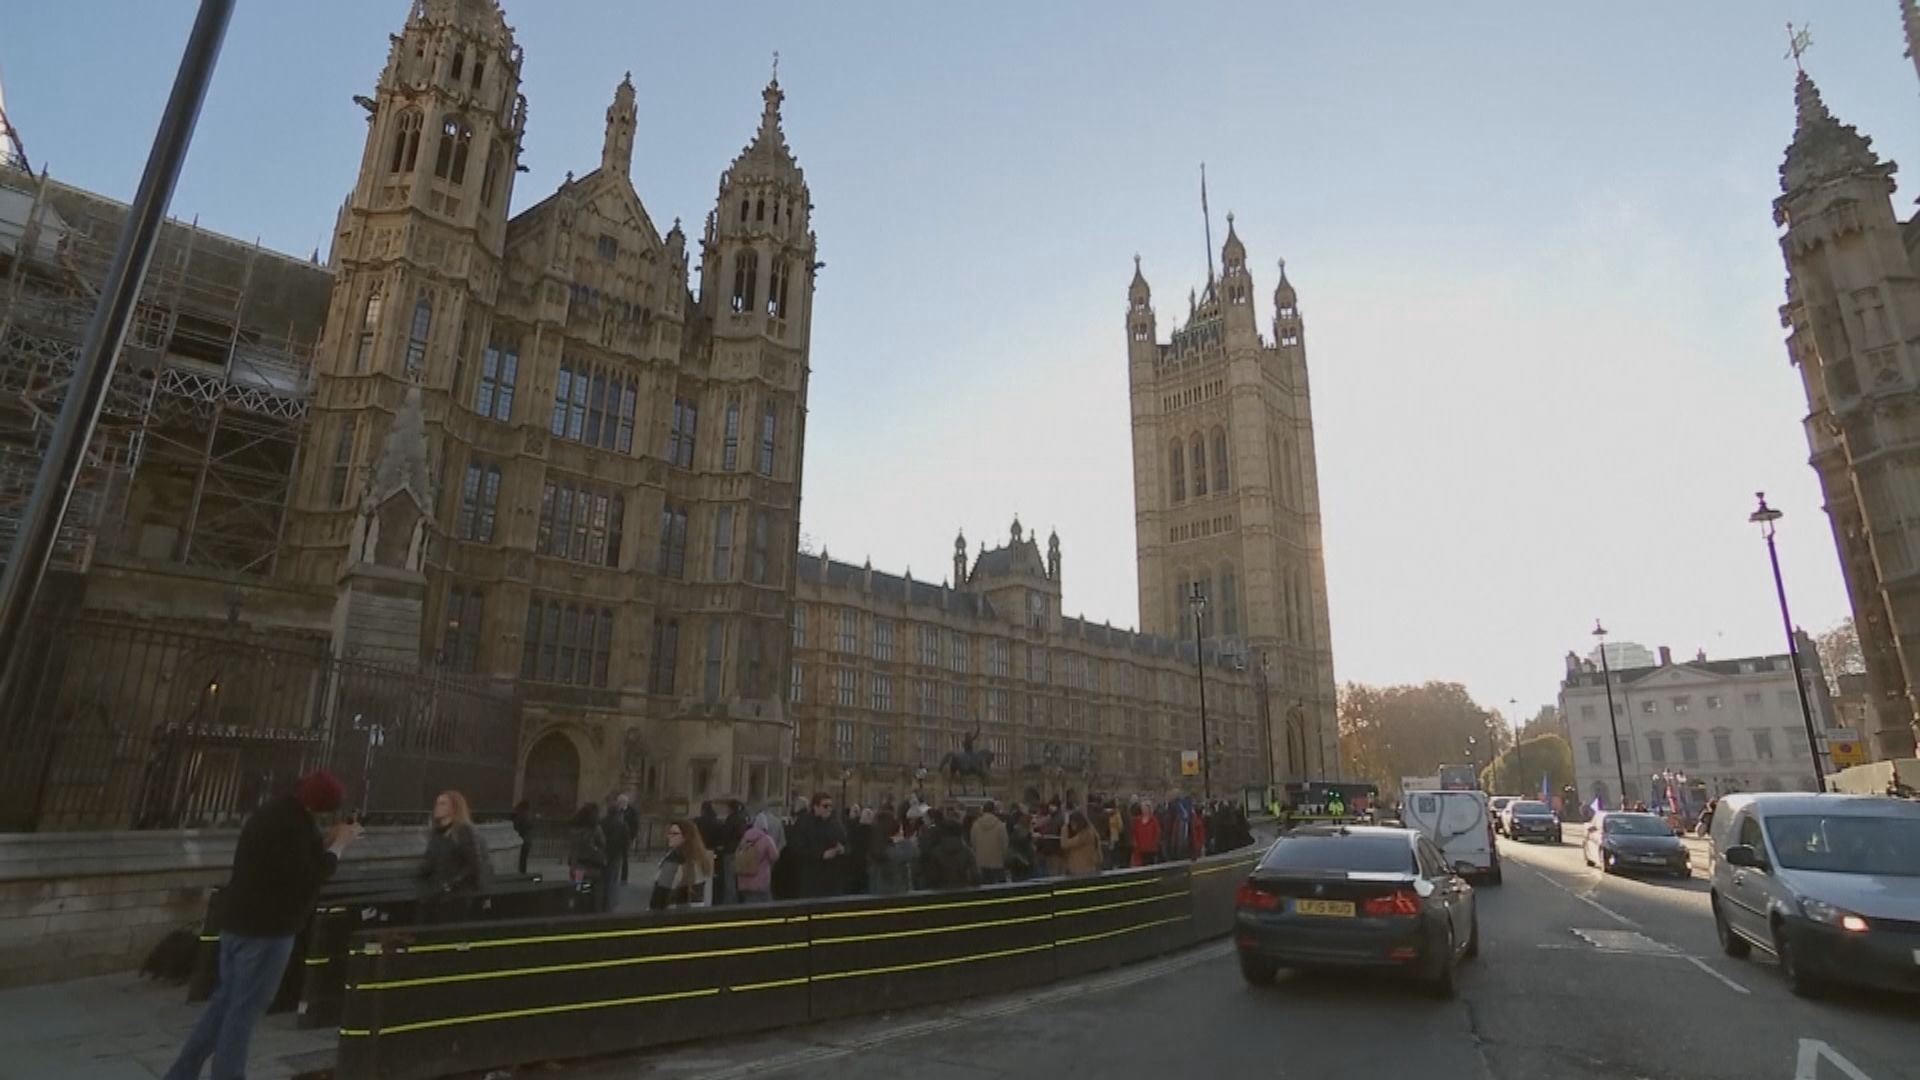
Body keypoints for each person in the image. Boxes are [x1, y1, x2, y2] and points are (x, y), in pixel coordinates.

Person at [162, 771, 358, 1080]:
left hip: (236, 925)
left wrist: (323, 840)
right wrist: (339, 847)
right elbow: (309, 876)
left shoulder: (273, 813)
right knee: (243, 1013)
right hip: (267, 932)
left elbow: (283, 863)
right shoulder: (294, 826)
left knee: (223, 1005)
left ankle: (181, 1073)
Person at [416, 790, 489, 920]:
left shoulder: (464, 831)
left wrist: (451, 884)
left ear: (454, 808)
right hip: (436, 894)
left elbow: (474, 865)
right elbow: (430, 862)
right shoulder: (436, 834)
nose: (437, 807)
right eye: (437, 803)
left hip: (457, 896)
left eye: (443, 804)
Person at [786, 792, 847, 899]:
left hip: (832, 877)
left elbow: (845, 841)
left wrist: (842, 849)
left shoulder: (835, 822)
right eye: (825, 806)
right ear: (815, 807)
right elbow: (797, 848)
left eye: (830, 806)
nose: (828, 809)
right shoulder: (804, 822)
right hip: (812, 876)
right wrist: (821, 854)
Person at [649, 818, 714, 910]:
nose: (669, 836)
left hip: (673, 913)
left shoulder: (674, 859)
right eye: (669, 833)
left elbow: (661, 892)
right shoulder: (701, 858)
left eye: (675, 834)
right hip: (696, 911)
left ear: (686, 836)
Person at [920, 807, 978, 890]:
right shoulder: (967, 852)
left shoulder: (935, 853)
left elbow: (932, 878)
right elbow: (975, 876)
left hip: (941, 893)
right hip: (963, 891)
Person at [867, 810, 918, 895]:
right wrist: (904, 841)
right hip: (895, 894)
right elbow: (913, 853)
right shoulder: (890, 851)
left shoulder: (877, 846)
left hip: (878, 893)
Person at [566, 803, 607, 906]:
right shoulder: (595, 829)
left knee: (578, 891)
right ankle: (592, 913)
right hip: (592, 866)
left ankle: (577, 910)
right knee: (595, 893)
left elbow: (572, 847)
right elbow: (603, 843)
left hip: (576, 866)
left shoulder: (573, 829)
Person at [734, 812, 779, 903]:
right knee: (765, 905)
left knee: (748, 904)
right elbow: (774, 856)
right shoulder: (766, 839)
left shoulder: (745, 837)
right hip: (760, 881)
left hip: (744, 879)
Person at [598, 798, 631, 912]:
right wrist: (624, 854)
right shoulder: (622, 825)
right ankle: (609, 905)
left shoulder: (601, 823)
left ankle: (601, 902)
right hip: (616, 855)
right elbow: (626, 842)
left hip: (602, 854)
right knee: (612, 881)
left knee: (602, 880)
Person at [970, 800, 1010, 884]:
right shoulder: (1000, 825)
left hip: (980, 863)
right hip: (997, 864)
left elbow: (973, 844)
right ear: (994, 810)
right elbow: (1005, 846)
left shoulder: (975, 825)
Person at [1062, 810, 1102, 877]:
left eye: (1072, 823)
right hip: (1087, 867)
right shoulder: (1090, 830)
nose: (1072, 826)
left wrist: (1065, 827)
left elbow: (1064, 844)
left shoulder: (1085, 834)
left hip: (1082, 870)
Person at [615, 793, 639, 883]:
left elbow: (635, 826)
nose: (619, 804)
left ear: (625, 802)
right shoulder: (616, 811)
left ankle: (624, 878)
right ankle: (615, 876)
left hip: (626, 838)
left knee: (625, 859)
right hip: (616, 838)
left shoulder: (632, 811)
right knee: (615, 858)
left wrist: (632, 838)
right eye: (618, 802)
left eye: (620, 802)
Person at [1131, 800, 1162, 867]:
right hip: (1140, 849)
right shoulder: (1137, 820)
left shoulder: (1154, 820)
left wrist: (1154, 844)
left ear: (1149, 809)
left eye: (1145, 808)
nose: (1143, 809)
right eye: (1142, 808)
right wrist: (1135, 842)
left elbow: (1157, 833)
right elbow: (1134, 832)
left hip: (1150, 849)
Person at [511, 799, 534, 876]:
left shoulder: (522, 814)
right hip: (528, 839)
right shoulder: (529, 814)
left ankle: (522, 874)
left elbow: (516, 826)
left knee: (522, 859)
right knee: (524, 859)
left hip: (523, 839)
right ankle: (523, 873)